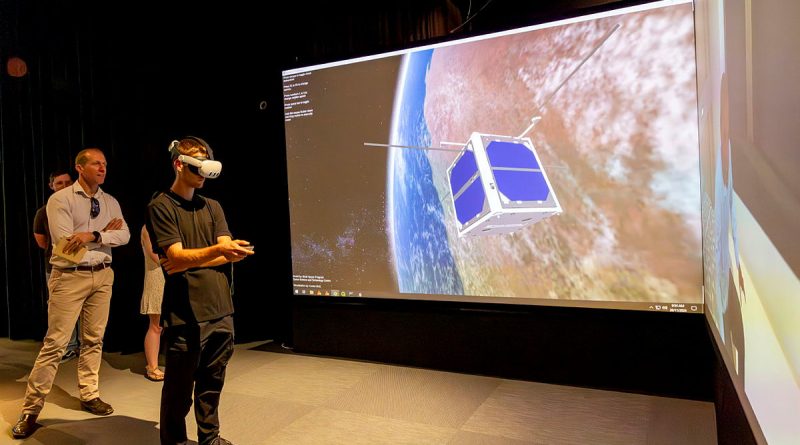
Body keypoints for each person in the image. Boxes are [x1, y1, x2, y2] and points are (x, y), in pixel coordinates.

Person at [12, 148, 130, 439]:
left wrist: (93, 235)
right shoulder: (59, 200)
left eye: (104, 163)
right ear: (80, 168)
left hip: (103, 275)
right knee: (55, 344)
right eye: (95, 163)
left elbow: (124, 235)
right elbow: (64, 247)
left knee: (93, 339)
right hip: (69, 277)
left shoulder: (110, 201)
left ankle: (89, 394)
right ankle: (31, 408)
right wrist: (103, 236)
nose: (102, 168)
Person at [147, 136, 253, 445]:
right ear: (179, 164)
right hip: (185, 314)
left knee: (212, 382)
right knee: (178, 391)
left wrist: (190, 260)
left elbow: (222, 250)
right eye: (197, 166)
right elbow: (176, 255)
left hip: (221, 310)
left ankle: (211, 438)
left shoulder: (213, 206)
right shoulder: (161, 206)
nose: (203, 174)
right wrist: (199, 257)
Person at [33, 170, 82, 361]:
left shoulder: (82, 207)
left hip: (85, 266)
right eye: (59, 183)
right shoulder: (43, 211)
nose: (64, 186)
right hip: (56, 267)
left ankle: (83, 345)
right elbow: (41, 241)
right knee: (61, 308)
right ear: (51, 186)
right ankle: (68, 346)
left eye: (67, 182)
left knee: (85, 307)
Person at [141, 223, 166, 381]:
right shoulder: (148, 228)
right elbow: (155, 256)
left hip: (176, 275)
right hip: (158, 277)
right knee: (156, 325)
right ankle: (152, 367)